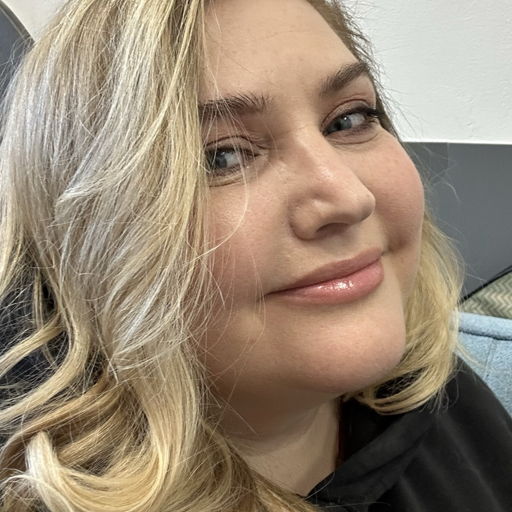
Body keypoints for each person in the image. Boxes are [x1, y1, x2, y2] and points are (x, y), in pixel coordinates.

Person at [0, 0, 510, 511]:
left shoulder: (437, 393)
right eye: (221, 156)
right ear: (87, 241)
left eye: (348, 120)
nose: (349, 198)